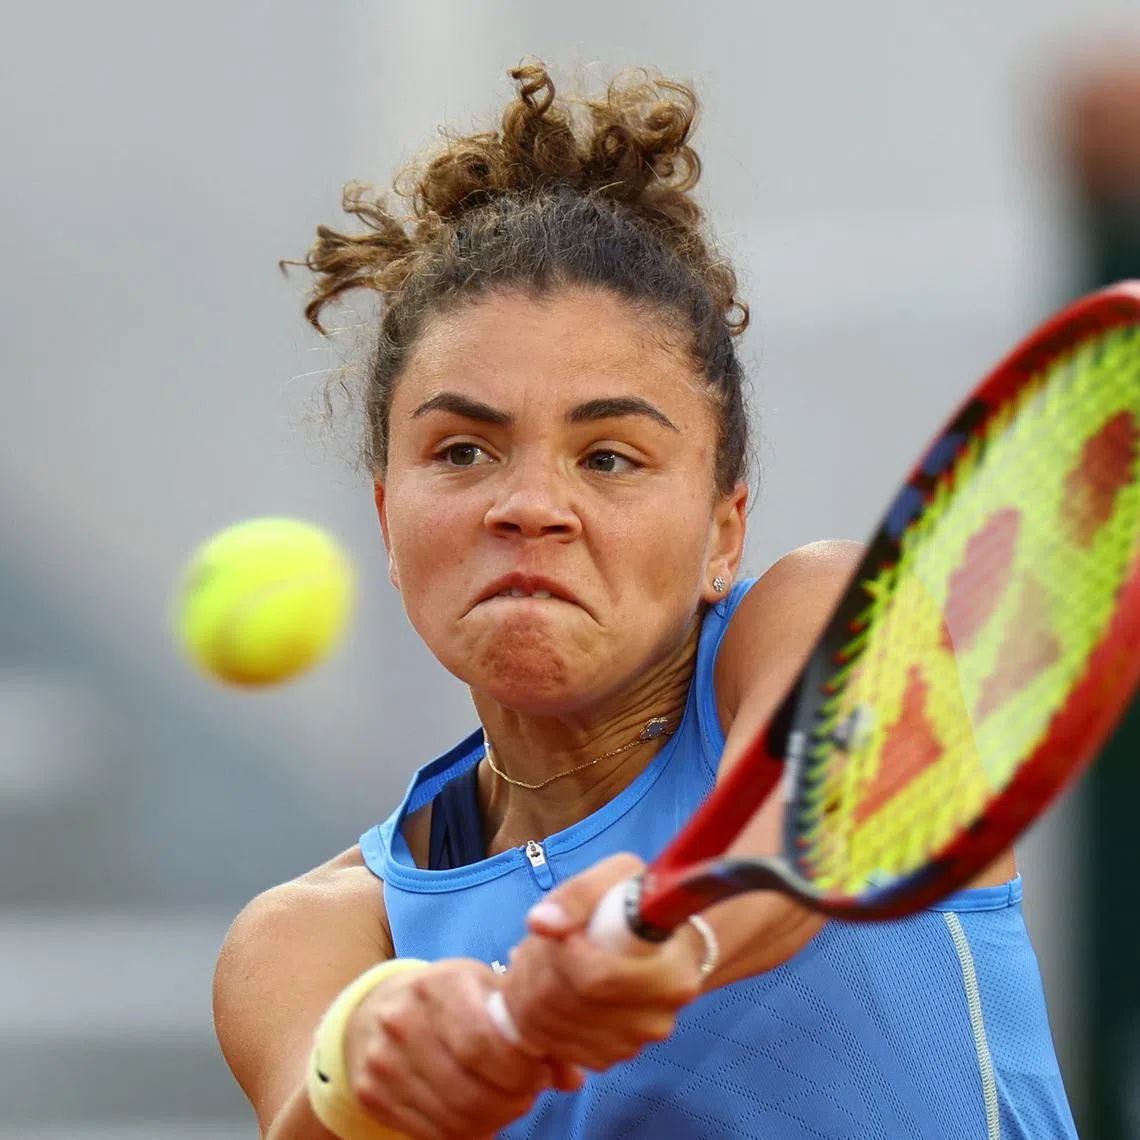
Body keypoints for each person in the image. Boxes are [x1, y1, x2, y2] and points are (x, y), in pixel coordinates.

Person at [213, 63, 1078, 1140]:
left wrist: (678, 936)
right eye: (464, 449)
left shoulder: (819, 620)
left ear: (725, 530)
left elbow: (809, 821)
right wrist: (394, 1071)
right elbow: (318, 1105)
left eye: (611, 457)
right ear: (389, 516)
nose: (531, 506)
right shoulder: (313, 937)